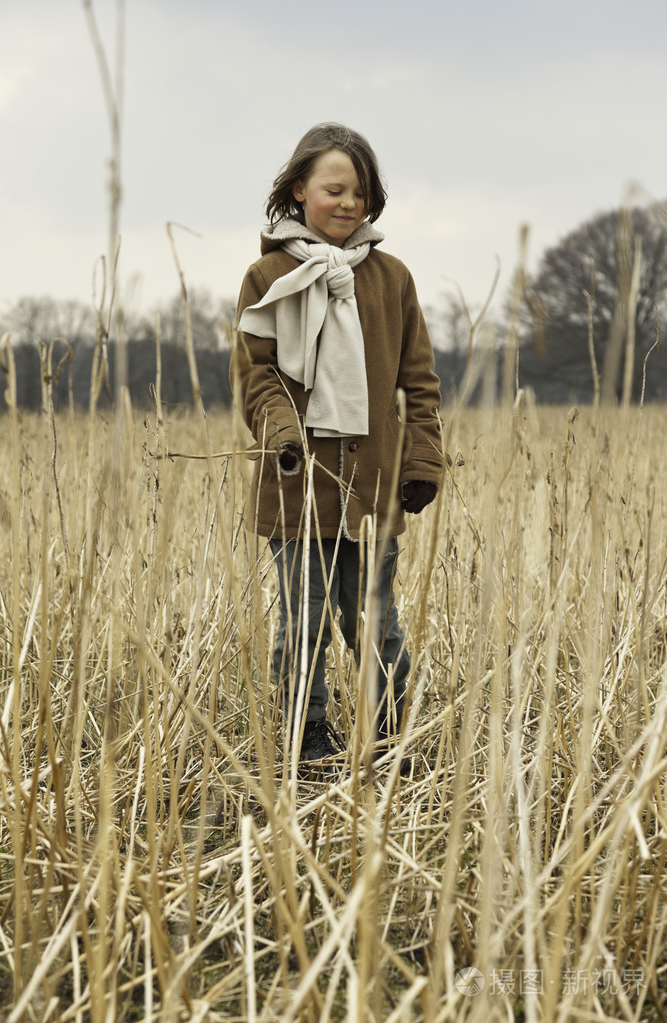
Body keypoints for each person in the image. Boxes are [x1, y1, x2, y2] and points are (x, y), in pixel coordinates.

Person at [233, 122, 443, 773]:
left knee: (374, 622)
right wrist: (284, 435)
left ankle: (388, 736)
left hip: (373, 487)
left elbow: (419, 384)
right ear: (299, 191)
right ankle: (308, 740)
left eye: (361, 191)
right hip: (296, 483)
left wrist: (422, 461)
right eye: (334, 189)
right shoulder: (266, 276)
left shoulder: (392, 279)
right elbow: (256, 376)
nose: (349, 203)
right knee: (306, 623)